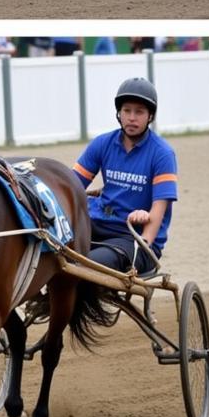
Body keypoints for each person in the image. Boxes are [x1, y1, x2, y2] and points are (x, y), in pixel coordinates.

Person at [72, 78, 177, 273]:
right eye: (127, 110)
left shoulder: (162, 154)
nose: (131, 117)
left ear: (150, 116)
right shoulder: (102, 144)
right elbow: (71, 186)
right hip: (95, 226)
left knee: (84, 265)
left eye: (139, 112)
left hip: (132, 237)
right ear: (119, 113)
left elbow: (158, 210)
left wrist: (144, 244)